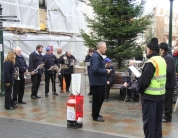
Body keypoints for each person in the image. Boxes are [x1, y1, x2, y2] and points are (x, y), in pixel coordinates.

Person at [137, 37, 166, 138]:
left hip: (150, 98)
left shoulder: (151, 62)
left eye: (146, 49)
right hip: (160, 96)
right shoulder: (162, 60)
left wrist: (139, 90)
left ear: (149, 50)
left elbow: (144, 82)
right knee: (157, 124)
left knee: (149, 125)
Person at [90, 41, 111, 122]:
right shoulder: (96, 56)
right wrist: (106, 71)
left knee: (101, 98)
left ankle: (96, 113)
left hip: (100, 81)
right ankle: (95, 116)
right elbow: (95, 69)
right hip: (97, 82)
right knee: (97, 99)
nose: (106, 49)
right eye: (105, 47)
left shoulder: (99, 56)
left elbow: (98, 67)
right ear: (100, 48)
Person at [159, 42, 177, 122]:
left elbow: (168, 70)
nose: (159, 50)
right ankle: (165, 115)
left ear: (162, 49)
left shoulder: (168, 58)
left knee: (168, 100)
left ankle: (168, 117)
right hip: (167, 83)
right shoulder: (166, 57)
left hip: (169, 83)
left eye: (160, 49)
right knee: (166, 100)